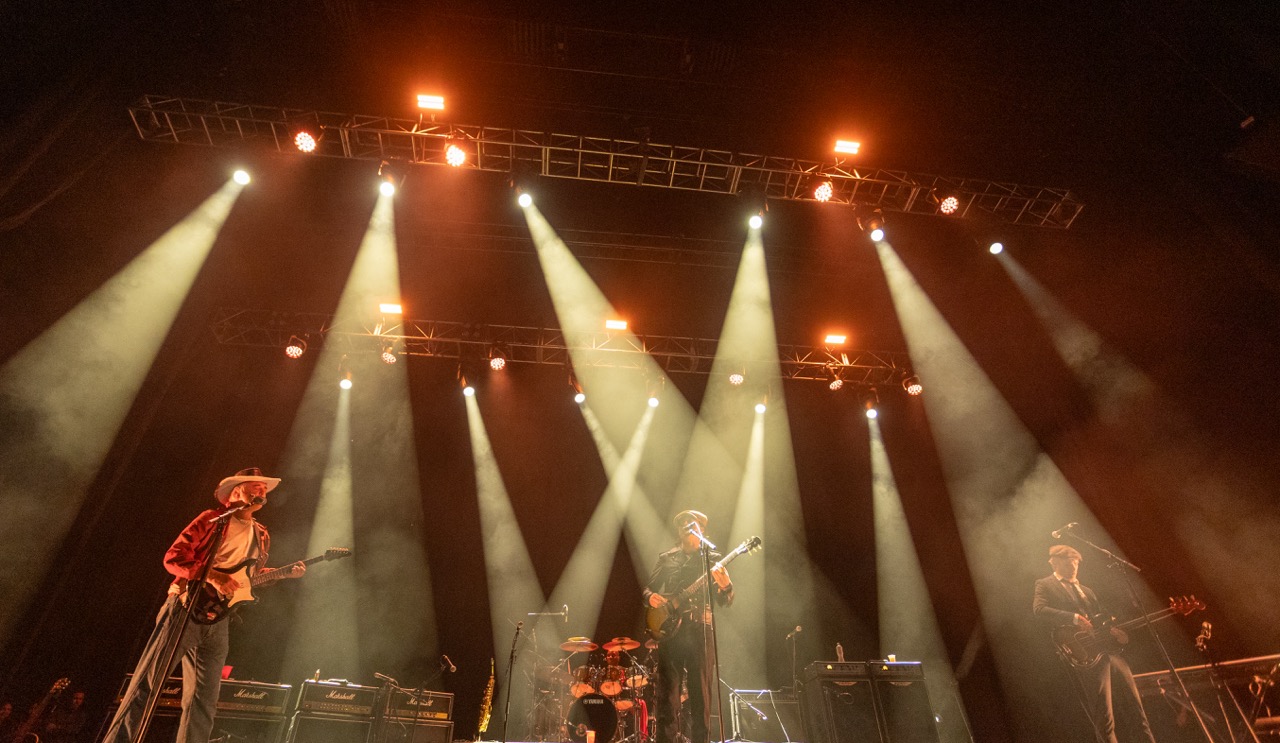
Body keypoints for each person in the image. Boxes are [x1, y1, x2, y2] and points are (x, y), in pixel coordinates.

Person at [101, 467, 303, 743]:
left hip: (219, 618)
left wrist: (283, 573)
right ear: (235, 492)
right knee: (147, 685)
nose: (262, 491)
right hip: (186, 607)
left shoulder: (261, 534)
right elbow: (173, 557)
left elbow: (247, 578)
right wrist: (215, 576)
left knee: (204, 699)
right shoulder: (212, 520)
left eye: (264, 489)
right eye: (255, 486)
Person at [1033, 544, 1156, 743]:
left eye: (1075, 563)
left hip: (1108, 651)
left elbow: (1103, 623)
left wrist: (1119, 636)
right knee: (1105, 717)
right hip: (1085, 653)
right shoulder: (1045, 584)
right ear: (1054, 562)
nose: (1073, 567)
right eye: (1068, 563)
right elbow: (1039, 609)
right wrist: (1074, 617)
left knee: (1136, 709)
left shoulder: (1087, 591)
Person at [643, 510, 733, 743]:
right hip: (670, 631)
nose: (685, 524)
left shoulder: (712, 559)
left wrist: (726, 587)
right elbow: (647, 588)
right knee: (667, 695)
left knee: (700, 695)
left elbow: (724, 601)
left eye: (691, 523)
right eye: (681, 522)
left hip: (700, 629)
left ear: (702, 529)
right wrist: (651, 597)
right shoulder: (666, 557)